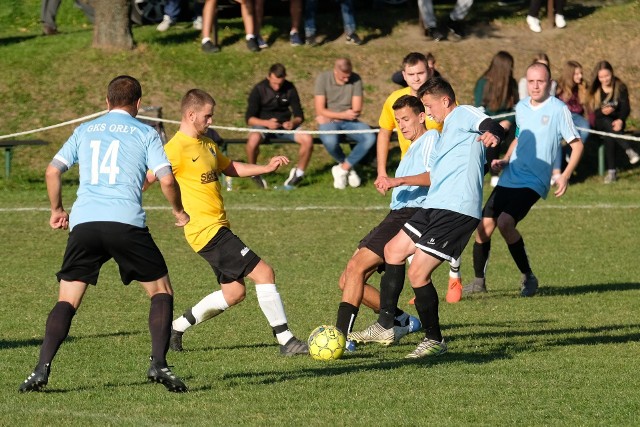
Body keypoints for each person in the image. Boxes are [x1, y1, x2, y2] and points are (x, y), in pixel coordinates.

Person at [18, 75, 190, 393]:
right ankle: (159, 364)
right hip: (125, 223)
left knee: (67, 299)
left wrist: (57, 210)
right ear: (138, 103)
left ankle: (41, 369)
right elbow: (166, 179)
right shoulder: (146, 132)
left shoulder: (84, 130)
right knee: (161, 291)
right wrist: (179, 212)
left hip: (85, 224)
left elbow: (52, 170)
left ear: (106, 101)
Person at [349, 77, 503, 357]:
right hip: (434, 204)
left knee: (418, 272)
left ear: (445, 100)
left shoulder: (462, 113)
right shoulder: (445, 132)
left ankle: (434, 340)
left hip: (456, 209)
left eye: (429, 106)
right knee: (392, 250)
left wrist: (494, 135)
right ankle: (386, 324)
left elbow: (491, 125)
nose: (428, 112)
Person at [155, 89, 308, 356]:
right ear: (191, 115)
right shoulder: (173, 149)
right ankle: (286, 341)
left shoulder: (208, 144)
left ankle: (175, 328)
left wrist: (265, 168)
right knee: (264, 273)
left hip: (219, 227)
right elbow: (149, 178)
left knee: (234, 293)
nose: (211, 120)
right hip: (205, 230)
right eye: (207, 115)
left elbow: (230, 168)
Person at [464, 62, 584, 298]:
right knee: (483, 227)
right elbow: (518, 138)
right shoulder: (521, 107)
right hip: (511, 174)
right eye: (531, 81)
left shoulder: (559, 109)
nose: (536, 86)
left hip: (534, 180)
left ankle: (528, 276)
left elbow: (577, 145)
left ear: (549, 83)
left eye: (540, 81)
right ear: (526, 83)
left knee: (506, 223)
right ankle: (479, 281)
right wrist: (506, 159)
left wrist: (565, 175)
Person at [336, 95, 432, 351]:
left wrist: (397, 181)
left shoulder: (432, 140)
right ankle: (401, 320)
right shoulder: (413, 146)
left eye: (406, 119)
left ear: (421, 116)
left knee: (356, 267)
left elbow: (436, 177)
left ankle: (340, 338)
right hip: (396, 214)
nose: (401, 125)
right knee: (347, 279)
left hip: (410, 214)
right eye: (398, 120)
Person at [376, 52, 463, 304]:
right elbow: (384, 132)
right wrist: (383, 171)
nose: (416, 78)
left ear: (431, 71)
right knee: (416, 230)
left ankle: (454, 272)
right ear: (403, 75)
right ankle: (421, 283)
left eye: (421, 74)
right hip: (411, 170)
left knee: (445, 221)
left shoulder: (436, 97)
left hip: (436, 172)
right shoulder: (395, 99)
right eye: (411, 75)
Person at [245, 63, 313, 189]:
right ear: (268, 77)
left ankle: (298, 174)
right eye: (274, 83)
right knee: (253, 139)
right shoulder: (259, 89)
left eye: (280, 84)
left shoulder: (290, 88)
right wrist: (267, 123)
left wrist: (293, 123)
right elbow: (249, 119)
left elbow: (299, 116)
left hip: (285, 127)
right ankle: (254, 173)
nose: (277, 87)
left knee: (307, 139)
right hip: (263, 126)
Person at [314, 58, 376, 189]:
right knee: (329, 140)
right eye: (343, 77)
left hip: (349, 121)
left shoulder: (356, 79)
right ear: (335, 71)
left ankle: (343, 168)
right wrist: (339, 115)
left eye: (348, 76)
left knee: (369, 137)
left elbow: (356, 109)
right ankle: (349, 168)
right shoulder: (323, 79)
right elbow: (320, 109)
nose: (347, 80)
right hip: (330, 121)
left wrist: (334, 115)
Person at [473, 51, 519, 187]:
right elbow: (479, 108)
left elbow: (516, 107)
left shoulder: (512, 83)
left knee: (517, 137)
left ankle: (513, 169)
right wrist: (494, 124)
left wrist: (508, 121)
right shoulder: (483, 83)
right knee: (492, 137)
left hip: (508, 123)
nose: (512, 69)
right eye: (510, 66)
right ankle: (494, 173)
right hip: (490, 122)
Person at [589, 60, 637, 183]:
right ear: (597, 77)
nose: (605, 79)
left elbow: (626, 108)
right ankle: (628, 149)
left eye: (607, 76)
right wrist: (602, 111)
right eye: (601, 77)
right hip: (599, 121)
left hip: (616, 122)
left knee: (609, 135)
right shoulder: (595, 89)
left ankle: (612, 173)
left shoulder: (620, 87)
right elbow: (592, 113)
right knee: (606, 123)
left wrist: (621, 120)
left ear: (612, 73)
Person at [555, 60, 591, 175]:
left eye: (581, 73)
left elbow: (587, 105)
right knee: (556, 138)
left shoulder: (582, 86)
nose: (580, 76)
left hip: (576, 116)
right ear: (569, 74)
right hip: (562, 117)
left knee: (585, 129)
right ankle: (556, 171)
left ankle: (571, 153)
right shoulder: (558, 87)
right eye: (576, 74)